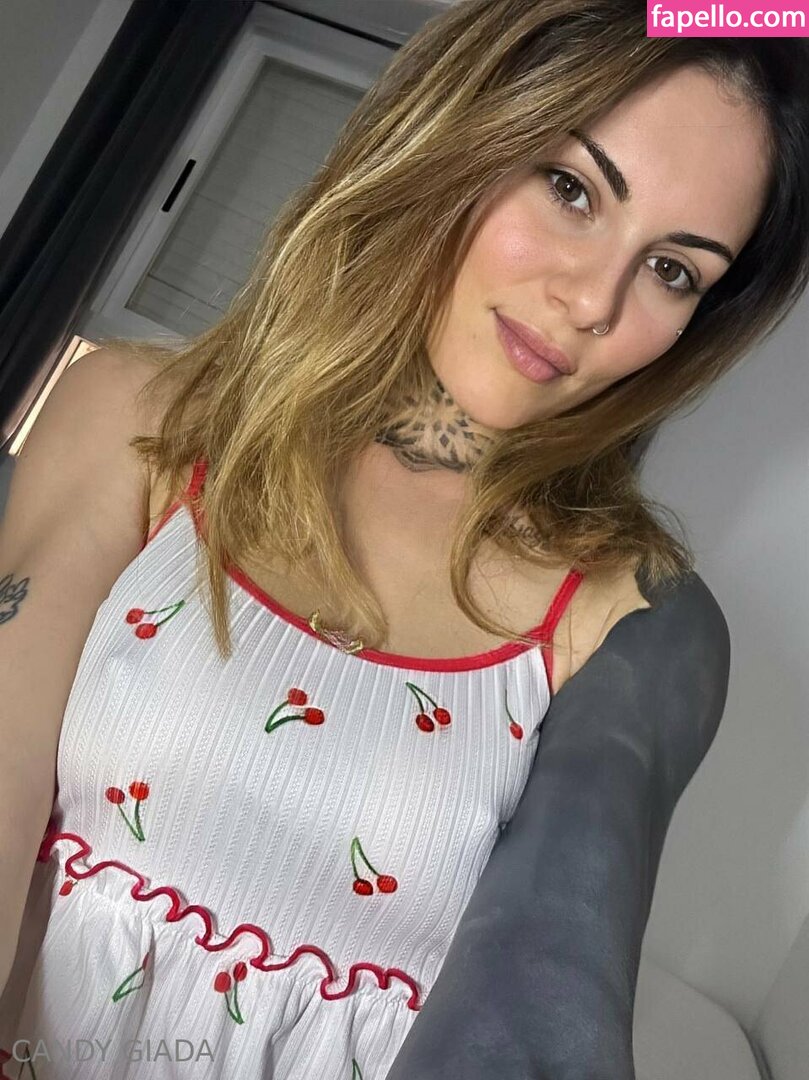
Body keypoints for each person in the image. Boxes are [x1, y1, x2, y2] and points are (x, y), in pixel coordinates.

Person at [1, 0, 807, 1076]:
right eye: (570, 188)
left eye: (672, 270)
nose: (590, 301)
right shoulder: (136, 417)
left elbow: (545, 1008)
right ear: (456, 133)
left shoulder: (622, 616)